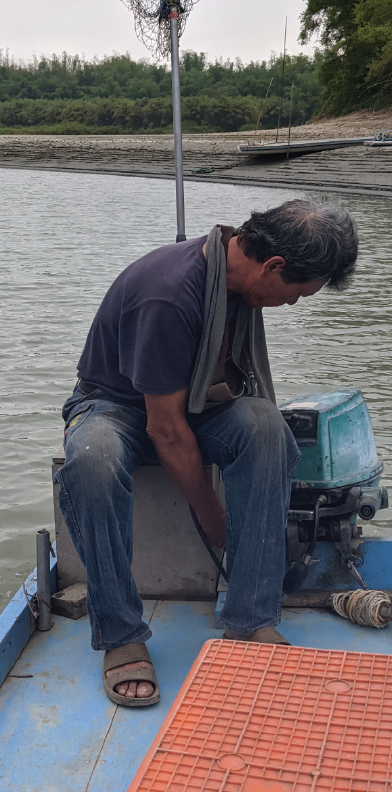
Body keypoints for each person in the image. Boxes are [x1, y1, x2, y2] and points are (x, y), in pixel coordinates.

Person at [54, 199, 358, 708]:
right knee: (92, 457)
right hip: (116, 404)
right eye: (296, 294)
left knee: (266, 428)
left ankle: (251, 618)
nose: (293, 304)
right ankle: (121, 633)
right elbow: (165, 429)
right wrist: (213, 514)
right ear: (274, 266)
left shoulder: (240, 282)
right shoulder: (170, 294)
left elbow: (199, 407)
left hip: (196, 401)